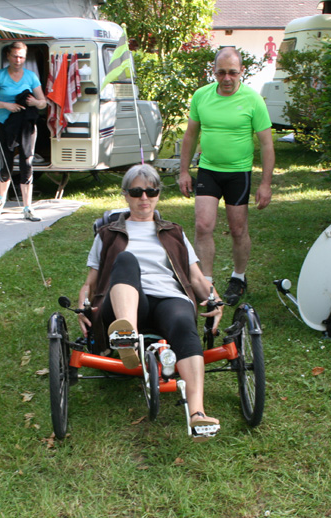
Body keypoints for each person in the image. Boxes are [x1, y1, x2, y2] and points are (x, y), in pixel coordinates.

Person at [77, 164, 223, 437]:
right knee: (126, 259)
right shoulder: (108, 234)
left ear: (158, 195)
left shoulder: (174, 233)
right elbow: (91, 281)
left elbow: (197, 277)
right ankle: (127, 336)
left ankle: (197, 413)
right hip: (125, 302)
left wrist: (215, 301)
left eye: (151, 191)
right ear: (125, 195)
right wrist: (83, 306)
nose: (144, 197)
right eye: (136, 191)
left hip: (168, 298)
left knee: (182, 321)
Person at [177, 46, 275, 306]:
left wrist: (265, 184)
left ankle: (238, 277)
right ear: (214, 72)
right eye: (221, 73)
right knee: (202, 226)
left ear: (242, 71)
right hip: (209, 169)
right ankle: (206, 283)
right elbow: (190, 135)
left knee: (238, 229)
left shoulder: (253, 100)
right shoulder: (201, 96)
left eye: (233, 72)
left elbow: (266, 144)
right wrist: (184, 171)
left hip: (238, 173)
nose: (227, 78)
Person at [0, 41, 47, 221]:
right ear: (8, 57)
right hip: (6, 122)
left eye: (21, 57)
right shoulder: (0, 76)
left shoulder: (31, 76)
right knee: (6, 160)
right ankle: (1, 199)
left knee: (27, 160)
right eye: (15, 56)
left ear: (25, 58)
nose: (18, 60)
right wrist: (6, 105)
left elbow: (43, 102)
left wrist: (35, 103)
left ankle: (27, 206)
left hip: (27, 123)